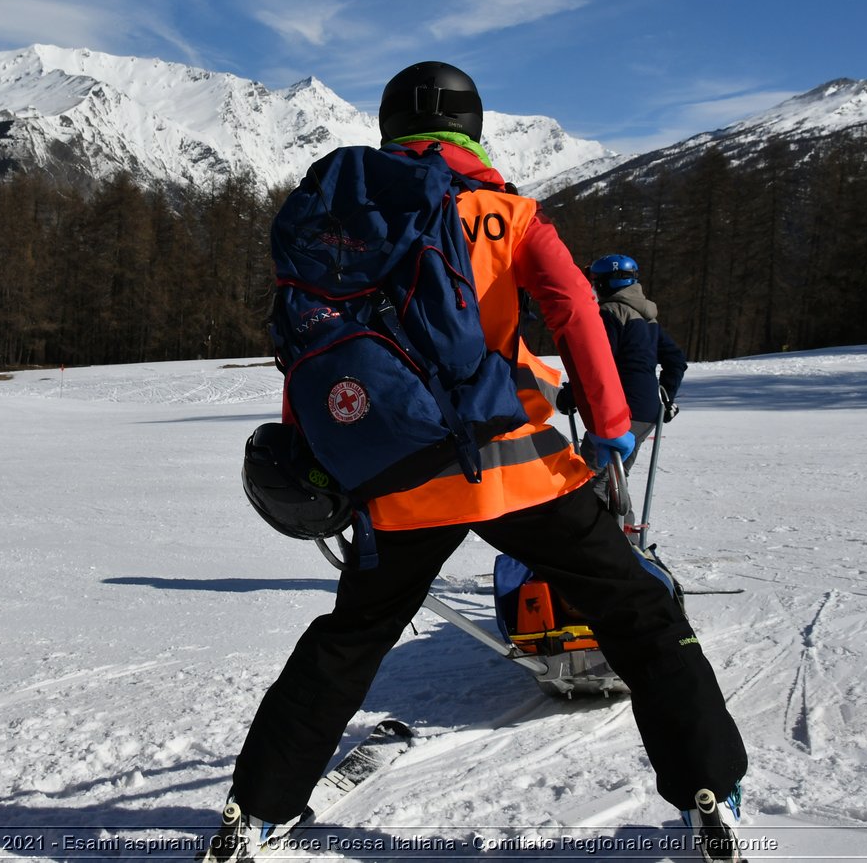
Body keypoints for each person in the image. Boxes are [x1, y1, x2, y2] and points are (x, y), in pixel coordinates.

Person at [200, 63, 748, 863]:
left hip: (397, 479)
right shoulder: (512, 213)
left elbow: (310, 349)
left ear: (391, 128)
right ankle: (707, 789)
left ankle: (252, 812)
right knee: (639, 612)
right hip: (519, 466)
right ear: (475, 128)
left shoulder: (346, 222)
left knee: (349, 638)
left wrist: (328, 464)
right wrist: (612, 423)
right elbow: (576, 310)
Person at [562, 254, 687, 472]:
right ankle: (616, 507)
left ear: (604, 283)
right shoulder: (648, 317)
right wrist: (666, 397)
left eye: (595, 282)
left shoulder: (610, 313)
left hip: (620, 411)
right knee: (612, 483)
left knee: (591, 480)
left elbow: (598, 362)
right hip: (645, 411)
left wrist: (573, 393)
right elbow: (675, 359)